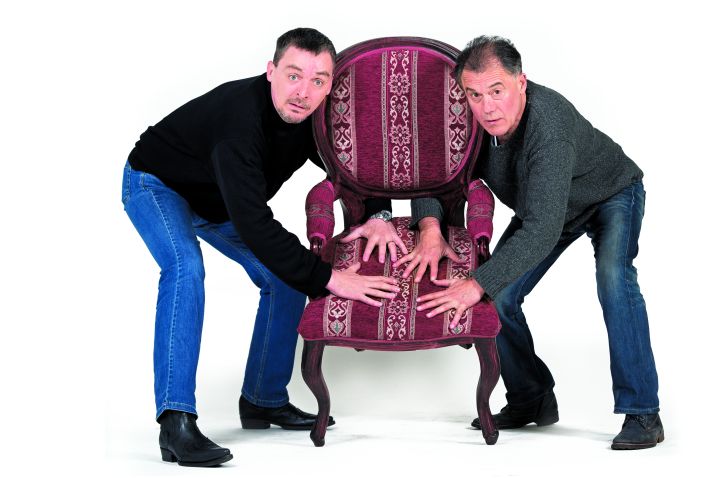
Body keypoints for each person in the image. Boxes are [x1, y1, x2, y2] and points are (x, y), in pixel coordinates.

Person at [122, 28, 405, 467]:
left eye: (317, 81)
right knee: (185, 267)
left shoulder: (312, 119)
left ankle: (262, 399)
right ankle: (175, 422)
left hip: (219, 200)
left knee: (284, 278)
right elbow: (254, 224)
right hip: (158, 184)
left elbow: (348, 170)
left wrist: (378, 215)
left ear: (329, 85)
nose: (303, 92)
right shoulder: (239, 126)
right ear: (271, 70)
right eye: (293, 75)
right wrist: (329, 278)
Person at [400, 35, 662, 450]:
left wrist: (477, 282)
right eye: (474, 94)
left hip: (610, 194)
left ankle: (644, 412)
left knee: (614, 281)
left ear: (521, 82)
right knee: (500, 296)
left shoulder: (549, 127)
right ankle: (531, 397)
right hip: (544, 207)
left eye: (497, 91)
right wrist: (429, 225)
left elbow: (540, 230)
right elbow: (437, 173)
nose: (487, 107)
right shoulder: (466, 120)